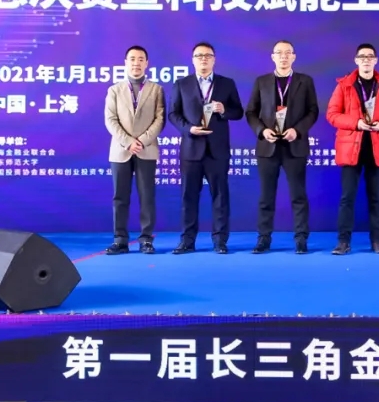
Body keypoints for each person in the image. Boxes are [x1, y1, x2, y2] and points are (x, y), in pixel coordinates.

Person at [168, 42, 244, 254]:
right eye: (199, 56)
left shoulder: (226, 83)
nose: (203, 59)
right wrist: (189, 129)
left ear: (214, 59)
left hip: (217, 150)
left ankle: (220, 241)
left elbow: (238, 112)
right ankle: (187, 241)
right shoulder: (181, 84)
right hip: (191, 149)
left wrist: (224, 109)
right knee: (188, 197)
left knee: (220, 196)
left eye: (207, 56)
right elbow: (173, 114)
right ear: (193, 60)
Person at [245, 40, 319, 254]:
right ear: (272, 57)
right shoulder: (261, 81)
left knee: (298, 195)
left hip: (294, 144)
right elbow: (250, 112)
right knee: (266, 196)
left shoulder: (305, 81)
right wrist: (262, 131)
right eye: (279, 53)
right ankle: (263, 238)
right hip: (267, 146)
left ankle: (301, 238)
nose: (283, 56)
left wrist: (298, 130)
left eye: (288, 53)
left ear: (294, 56)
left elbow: (313, 111)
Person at [327, 43, 379, 255]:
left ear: (375, 60)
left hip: (377, 148)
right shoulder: (344, 85)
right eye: (362, 56)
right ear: (356, 60)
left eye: (370, 56)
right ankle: (343, 242)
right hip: (351, 149)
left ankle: (377, 241)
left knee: (376, 198)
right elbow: (332, 114)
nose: (366, 60)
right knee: (347, 198)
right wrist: (356, 123)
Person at [103, 45, 166, 255]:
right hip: (120, 150)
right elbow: (110, 120)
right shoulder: (114, 90)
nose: (136, 63)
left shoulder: (156, 89)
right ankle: (120, 240)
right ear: (125, 62)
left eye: (140, 59)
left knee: (147, 196)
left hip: (146, 149)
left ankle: (146, 239)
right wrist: (128, 141)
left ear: (146, 63)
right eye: (132, 59)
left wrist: (143, 141)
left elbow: (160, 119)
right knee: (120, 197)